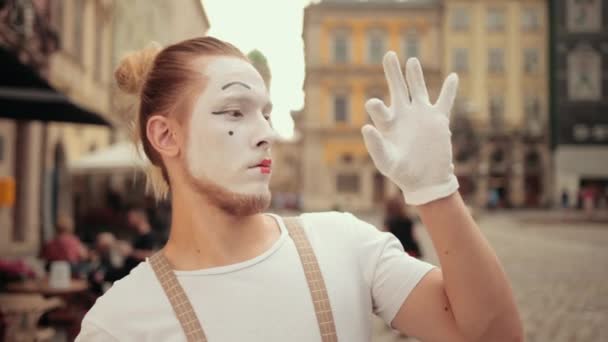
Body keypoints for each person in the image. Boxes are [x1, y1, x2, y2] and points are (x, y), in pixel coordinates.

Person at [77, 37, 522, 341]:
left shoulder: (345, 245)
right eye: (234, 112)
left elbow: (496, 334)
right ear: (166, 136)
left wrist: (436, 190)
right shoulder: (117, 324)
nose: (264, 133)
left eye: (265, 114)